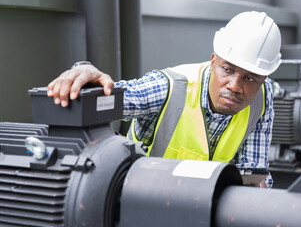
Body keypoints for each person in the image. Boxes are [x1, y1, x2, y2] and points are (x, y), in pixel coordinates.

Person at [47, 11, 282, 188]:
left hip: (211, 204)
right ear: (213, 61)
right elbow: (117, 97)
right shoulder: (170, 88)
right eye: (228, 70)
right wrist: (89, 76)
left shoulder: (262, 97)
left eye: (250, 78)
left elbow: (253, 173)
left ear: (263, 78)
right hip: (146, 202)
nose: (235, 86)